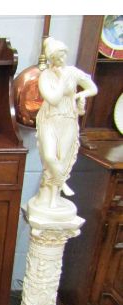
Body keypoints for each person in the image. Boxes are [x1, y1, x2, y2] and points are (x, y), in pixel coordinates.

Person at [34, 37, 98, 209]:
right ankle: (62, 182)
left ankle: (55, 196)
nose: (61, 60)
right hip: (49, 119)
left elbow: (93, 88)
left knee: (62, 157)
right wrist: (62, 80)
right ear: (51, 59)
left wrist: (80, 96)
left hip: (68, 118)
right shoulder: (45, 76)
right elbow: (53, 99)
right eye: (57, 57)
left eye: (63, 55)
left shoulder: (74, 72)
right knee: (49, 156)